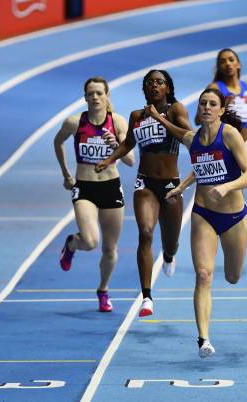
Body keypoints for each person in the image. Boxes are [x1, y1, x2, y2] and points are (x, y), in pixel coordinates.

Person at [145, 88, 247, 358]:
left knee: (232, 277)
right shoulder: (192, 139)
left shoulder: (229, 134)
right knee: (204, 275)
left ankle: (208, 328)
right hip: (203, 213)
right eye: (203, 103)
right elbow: (201, 165)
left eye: (212, 104)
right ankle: (203, 339)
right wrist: (182, 187)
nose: (206, 107)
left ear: (220, 110)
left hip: (233, 217)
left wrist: (228, 187)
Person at [95, 70, 192, 317]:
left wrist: (159, 119)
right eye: (149, 83)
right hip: (145, 184)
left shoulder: (176, 110)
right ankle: (147, 297)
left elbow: (188, 137)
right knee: (146, 233)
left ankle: (169, 256)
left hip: (171, 185)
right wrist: (109, 159)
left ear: (168, 88)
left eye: (159, 82)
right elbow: (128, 144)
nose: (154, 86)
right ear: (144, 89)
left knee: (170, 243)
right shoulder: (136, 115)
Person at [54, 76, 135, 313]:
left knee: (110, 249)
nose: (95, 97)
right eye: (91, 93)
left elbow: (130, 161)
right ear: (85, 97)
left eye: (100, 93)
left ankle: (103, 289)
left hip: (111, 187)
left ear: (107, 96)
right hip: (85, 188)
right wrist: (66, 175)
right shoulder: (74, 123)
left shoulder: (118, 123)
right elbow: (57, 142)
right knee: (90, 242)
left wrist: (115, 146)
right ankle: (72, 244)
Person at [196, 48, 247, 154]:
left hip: (245, 144)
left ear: (239, 64)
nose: (228, 64)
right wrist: (222, 108)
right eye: (223, 62)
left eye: (231, 60)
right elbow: (198, 120)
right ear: (219, 68)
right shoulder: (215, 88)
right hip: (223, 144)